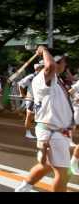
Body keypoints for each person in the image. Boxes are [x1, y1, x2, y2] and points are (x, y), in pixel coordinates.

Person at [15, 48, 77, 192]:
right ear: (56, 62)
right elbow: (50, 67)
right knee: (63, 174)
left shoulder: (56, 80)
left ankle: (24, 188)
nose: (65, 64)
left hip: (57, 131)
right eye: (63, 61)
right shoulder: (44, 77)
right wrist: (43, 50)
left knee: (47, 165)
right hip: (52, 132)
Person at [17, 62, 44, 139]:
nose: (43, 68)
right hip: (31, 99)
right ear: (37, 68)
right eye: (42, 67)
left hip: (40, 99)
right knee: (29, 116)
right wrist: (22, 94)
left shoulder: (44, 76)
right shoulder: (32, 76)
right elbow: (20, 84)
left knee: (39, 117)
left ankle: (39, 132)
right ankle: (28, 133)